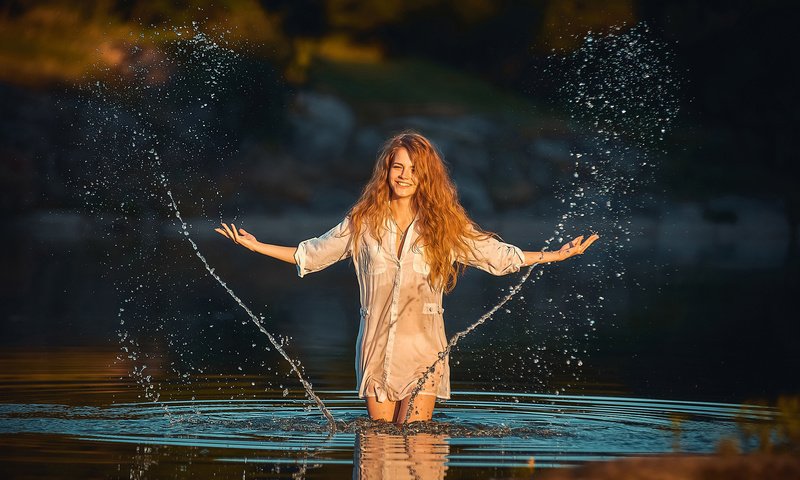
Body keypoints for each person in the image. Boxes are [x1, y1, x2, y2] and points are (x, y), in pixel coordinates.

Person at [215, 131, 598, 425]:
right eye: (398, 166)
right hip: (376, 346)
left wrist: (555, 255)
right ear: (387, 170)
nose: (404, 175)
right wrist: (257, 246)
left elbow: (497, 256)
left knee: (417, 447)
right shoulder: (362, 222)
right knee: (379, 447)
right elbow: (311, 253)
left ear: (426, 176)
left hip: (425, 350)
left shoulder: (445, 225)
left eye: (414, 169)